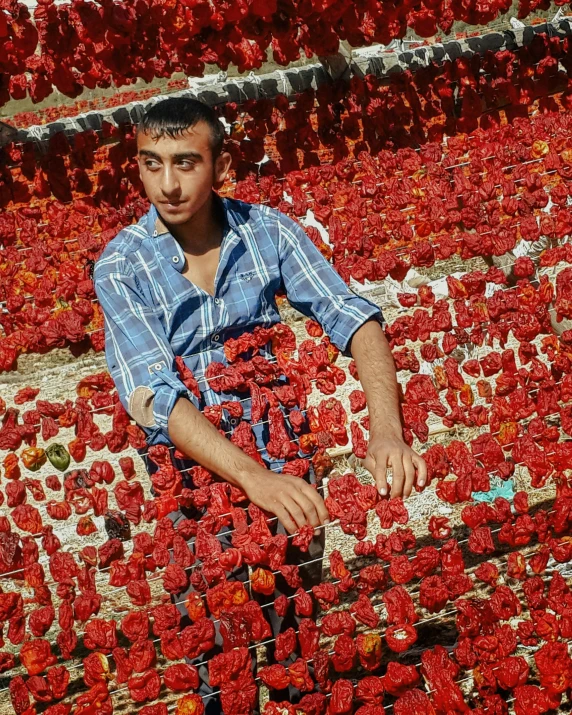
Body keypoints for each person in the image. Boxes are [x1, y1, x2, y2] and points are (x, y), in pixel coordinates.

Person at [93, 97, 427, 710]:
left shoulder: (268, 231)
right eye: (151, 163)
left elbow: (352, 316)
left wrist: (387, 431)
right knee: (214, 627)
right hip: (192, 468)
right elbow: (152, 397)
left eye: (186, 163)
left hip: (282, 443)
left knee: (294, 608)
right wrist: (253, 480)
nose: (166, 184)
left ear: (222, 165)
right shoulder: (121, 265)